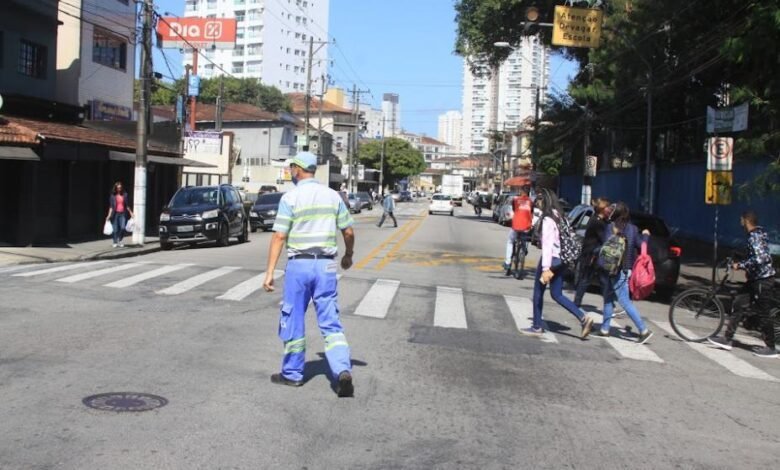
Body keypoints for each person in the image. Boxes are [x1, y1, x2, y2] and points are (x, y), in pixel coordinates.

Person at [262, 151, 356, 397]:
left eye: (292, 167)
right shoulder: (332, 196)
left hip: (299, 264)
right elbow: (348, 231)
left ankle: (292, 374)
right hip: (325, 266)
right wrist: (348, 255)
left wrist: (270, 271)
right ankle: (342, 370)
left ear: (297, 169)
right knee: (330, 320)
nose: (291, 171)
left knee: (293, 317)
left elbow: (279, 235)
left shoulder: (291, 197)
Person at [521, 189, 594, 339]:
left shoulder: (548, 219)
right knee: (556, 294)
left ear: (546, 200)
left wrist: (545, 268)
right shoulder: (560, 216)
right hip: (562, 259)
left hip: (551, 260)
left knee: (538, 292)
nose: (538, 203)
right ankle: (583, 317)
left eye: (540, 200)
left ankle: (536, 326)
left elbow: (547, 245)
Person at [708, 210, 778, 358]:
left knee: (764, 313)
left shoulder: (755, 237)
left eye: (741, 220)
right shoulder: (756, 235)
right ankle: (727, 339)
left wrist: (740, 265)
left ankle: (771, 348)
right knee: (739, 304)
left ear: (746, 220)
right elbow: (755, 255)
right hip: (754, 280)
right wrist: (739, 258)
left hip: (763, 280)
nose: (740, 222)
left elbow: (760, 259)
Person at [596, 202, 654, 343]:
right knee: (608, 298)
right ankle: (605, 329)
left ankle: (643, 330)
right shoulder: (633, 229)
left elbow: (605, 247)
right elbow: (641, 246)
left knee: (624, 302)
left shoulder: (610, 228)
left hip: (612, 270)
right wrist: (646, 235)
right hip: (624, 269)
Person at [573, 197, 611, 307]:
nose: (609, 210)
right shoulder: (597, 222)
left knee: (602, 281)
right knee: (587, 279)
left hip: (594, 254)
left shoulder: (600, 220)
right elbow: (604, 238)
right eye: (607, 207)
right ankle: (577, 303)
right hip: (591, 255)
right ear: (603, 209)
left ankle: (608, 304)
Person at [502, 186, 534, 275]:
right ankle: (524, 248)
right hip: (526, 226)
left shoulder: (515, 200)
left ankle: (508, 262)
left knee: (510, 241)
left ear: (521, 191)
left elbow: (514, 209)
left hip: (516, 225)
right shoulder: (531, 201)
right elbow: (531, 212)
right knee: (524, 239)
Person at [105, 181, 134, 248]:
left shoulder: (125, 195)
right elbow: (111, 207)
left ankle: (119, 240)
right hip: (115, 214)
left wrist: (131, 213)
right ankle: (115, 242)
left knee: (123, 227)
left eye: (120, 188)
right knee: (115, 229)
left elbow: (127, 205)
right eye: (118, 188)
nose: (119, 189)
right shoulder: (112, 196)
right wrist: (108, 215)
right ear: (115, 188)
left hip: (122, 214)